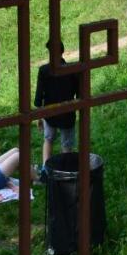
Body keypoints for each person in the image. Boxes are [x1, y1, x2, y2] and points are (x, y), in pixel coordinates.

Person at [35, 40, 79, 173]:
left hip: (50, 113)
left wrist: (39, 115)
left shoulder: (43, 70)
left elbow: (39, 96)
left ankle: (45, 169)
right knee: (67, 145)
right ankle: (65, 171)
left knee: (48, 140)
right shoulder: (72, 69)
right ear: (62, 51)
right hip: (67, 113)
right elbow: (80, 93)